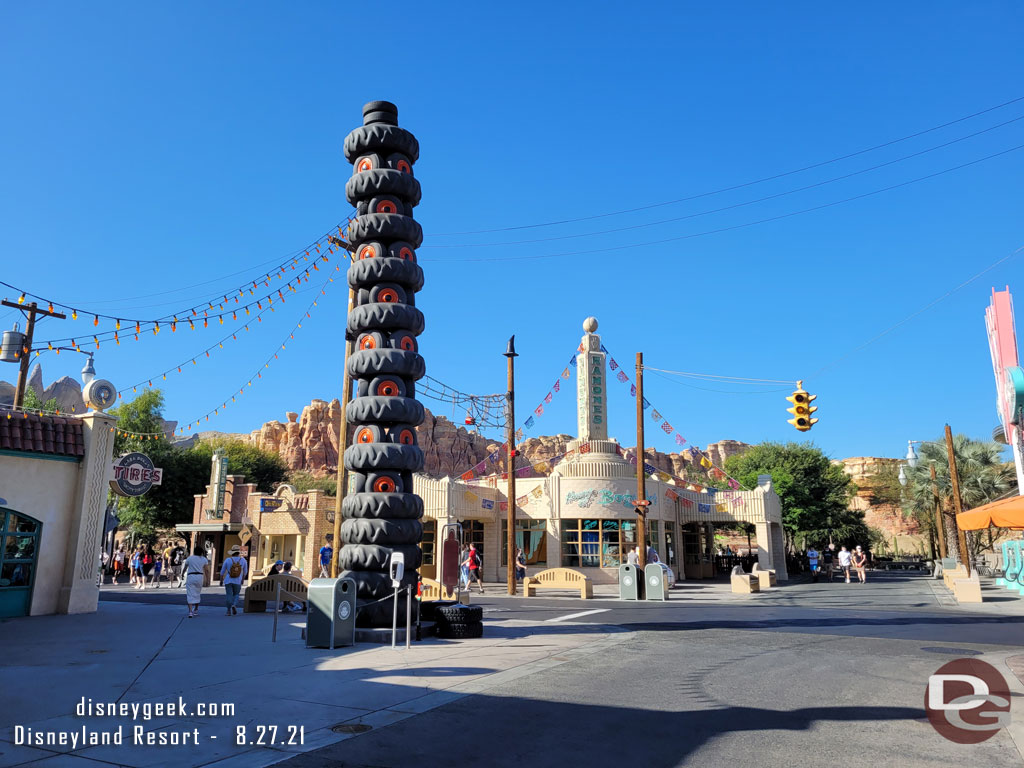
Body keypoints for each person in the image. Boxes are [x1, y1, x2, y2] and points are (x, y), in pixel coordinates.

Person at [220, 545, 248, 616]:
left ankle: (228, 611)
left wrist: (221, 580)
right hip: (238, 580)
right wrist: (243, 579)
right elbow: (245, 572)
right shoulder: (243, 560)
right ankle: (234, 604)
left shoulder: (228, 560)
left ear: (232, 552)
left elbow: (222, 571)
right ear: (239, 552)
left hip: (228, 580)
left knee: (229, 595)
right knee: (236, 594)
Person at [183, 546, 209, 618]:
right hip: (199, 576)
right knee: (197, 593)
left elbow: (185, 567)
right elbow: (206, 570)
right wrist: (207, 580)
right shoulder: (204, 559)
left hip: (191, 576)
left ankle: (190, 611)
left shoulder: (190, 558)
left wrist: (182, 573)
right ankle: (196, 609)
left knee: (190, 593)